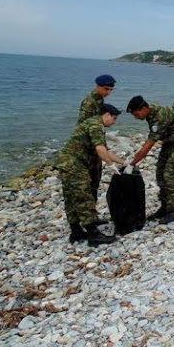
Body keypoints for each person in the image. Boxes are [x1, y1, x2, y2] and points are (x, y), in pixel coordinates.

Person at [58, 104, 126, 246]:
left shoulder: (92, 123)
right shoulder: (96, 126)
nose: (114, 122)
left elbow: (106, 151)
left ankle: (76, 231)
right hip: (75, 165)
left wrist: (124, 162)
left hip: (67, 163)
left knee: (71, 197)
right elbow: (100, 149)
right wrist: (110, 165)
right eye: (114, 118)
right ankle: (93, 235)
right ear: (106, 115)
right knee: (83, 197)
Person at [125, 96, 174, 224]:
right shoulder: (150, 113)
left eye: (136, 114)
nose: (135, 117)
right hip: (169, 142)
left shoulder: (158, 116)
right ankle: (165, 207)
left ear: (144, 108)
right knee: (160, 173)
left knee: (171, 174)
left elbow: (148, 146)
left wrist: (132, 163)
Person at [78, 74, 117, 202]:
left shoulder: (99, 99)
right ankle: (88, 215)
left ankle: (92, 212)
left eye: (111, 90)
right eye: (106, 89)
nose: (109, 92)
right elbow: (84, 126)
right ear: (98, 86)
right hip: (88, 146)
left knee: (95, 180)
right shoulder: (89, 103)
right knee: (88, 182)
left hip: (95, 142)